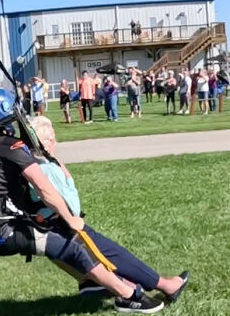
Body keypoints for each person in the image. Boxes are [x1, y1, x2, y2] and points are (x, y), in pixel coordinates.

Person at [0, 88, 165, 313]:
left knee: (60, 247)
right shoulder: (10, 146)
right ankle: (129, 296)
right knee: (75, 249)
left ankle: (93, 282)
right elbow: (44, 188)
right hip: (5, 231)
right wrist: (71, 219)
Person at [28, 116, 189, 299]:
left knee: (104, 259)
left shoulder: (32, 166)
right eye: (52, 138)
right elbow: (72, 206)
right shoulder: (48, 169)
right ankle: (166, 286)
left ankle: (129, 286)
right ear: (46, 142)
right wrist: (69, 179)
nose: (55, 141)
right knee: (115, 255)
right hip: (68, 226)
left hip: (51, 227)